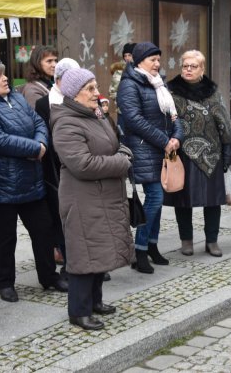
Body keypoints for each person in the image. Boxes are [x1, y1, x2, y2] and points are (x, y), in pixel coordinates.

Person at [0, 55, 68, 303]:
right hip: (3, 183)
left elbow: (38, 122)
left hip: (31, 179)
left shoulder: (16, 97)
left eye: (4, 73)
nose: (5, 78)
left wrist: (42, 142)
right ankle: (5, 283)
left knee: (43, 230)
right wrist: (35, 149)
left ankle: (48, 276)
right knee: (5, 235)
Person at [50, 68, 134, 330]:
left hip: (104, 196)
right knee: (83, 255)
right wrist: (121, 162)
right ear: (74, 94)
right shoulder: (66, 122)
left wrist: (122, 153)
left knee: (100, 251)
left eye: (95, 86)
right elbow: (82, 164)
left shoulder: (94, 115)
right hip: (82, 198)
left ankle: (95, 302)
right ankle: (79, 311)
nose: (96, 93)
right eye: (89, 88)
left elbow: (116, 143)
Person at [117, 42, 183, 274]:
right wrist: (164, 140)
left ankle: (151, 246)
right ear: (138, 61)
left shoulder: (158, 83)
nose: (157, 63)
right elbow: (134, 120)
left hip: (163, 148)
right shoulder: (129, 85)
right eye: (152, 60)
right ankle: (140, 249)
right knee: (154, 196)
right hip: (144, 148)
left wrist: (177, 137)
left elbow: (173, 115)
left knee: (158, 197)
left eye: (158, 59)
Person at [164, 50, 231, 257]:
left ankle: (212, 241)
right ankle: (186, 240)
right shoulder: (170, 91)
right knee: (182, 200)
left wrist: (228, 147)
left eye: (193, 66)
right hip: (181, 152)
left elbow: (224, 120)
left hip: (211, 153)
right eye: (185, 65)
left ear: (202, 69)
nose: (188, 69)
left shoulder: (212, 91)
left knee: (213, 200)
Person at [35, 57, 80, 277]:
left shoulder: (83, 98)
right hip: (56, 168)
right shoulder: (44, 103)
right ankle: (69, 261)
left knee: (84, 217)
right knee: (63, 217)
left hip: (82, 166)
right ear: (59, 80)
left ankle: (87, 261)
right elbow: (44, 134)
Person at [109, 42, 136, 113]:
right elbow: (112, 92)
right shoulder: (119, 72)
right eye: (125, 55)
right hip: (123, 112)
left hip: (139, 112)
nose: (127, 58)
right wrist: (123, 104)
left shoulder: (141, 70)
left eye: (129, 55)